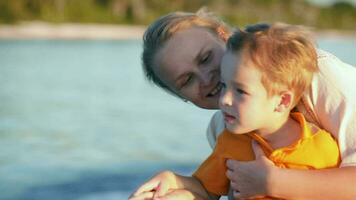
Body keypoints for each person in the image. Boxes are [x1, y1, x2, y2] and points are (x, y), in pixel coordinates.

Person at [131, 10, 356, 200]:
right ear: (181, 96)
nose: (207, 78)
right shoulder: (223, 128)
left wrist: (272, 181)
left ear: (225, 36)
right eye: (187, 80)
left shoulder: (318, 76)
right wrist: (174, 184)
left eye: (206, 58)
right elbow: (211, 189)